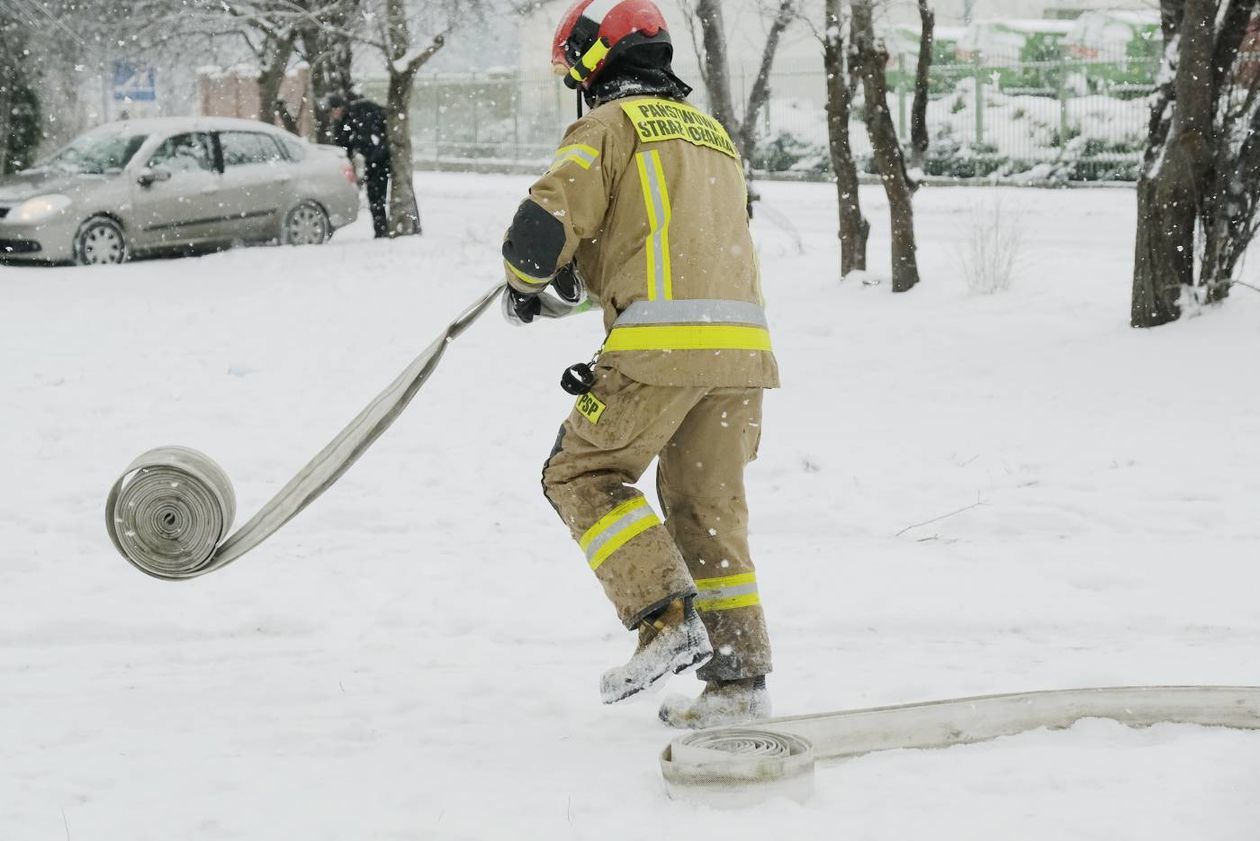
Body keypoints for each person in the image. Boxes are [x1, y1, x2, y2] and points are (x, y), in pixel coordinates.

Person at [500, 0, 779, 729]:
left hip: (659, 349)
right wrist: (572, 279)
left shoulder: (605, 128)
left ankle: (663, 618)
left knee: (580, 473)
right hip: (741, 357)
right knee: (706, 509)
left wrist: (524, 282)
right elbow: (660, 242)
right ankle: (738, 680)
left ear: (595, 63)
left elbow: (536, 232)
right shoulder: (713, 136)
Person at [325, 94, 393, 238]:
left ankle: (383, 229)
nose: (332, 116)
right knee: (374, 196)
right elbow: (344, 149)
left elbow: (368, 136)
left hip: (381, 157)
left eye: (332, 111)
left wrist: (376, 150)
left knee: (379, 195)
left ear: (339, 108)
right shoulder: (342, 124)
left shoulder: (361, 112)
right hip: (371, 159)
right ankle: (381, 230)